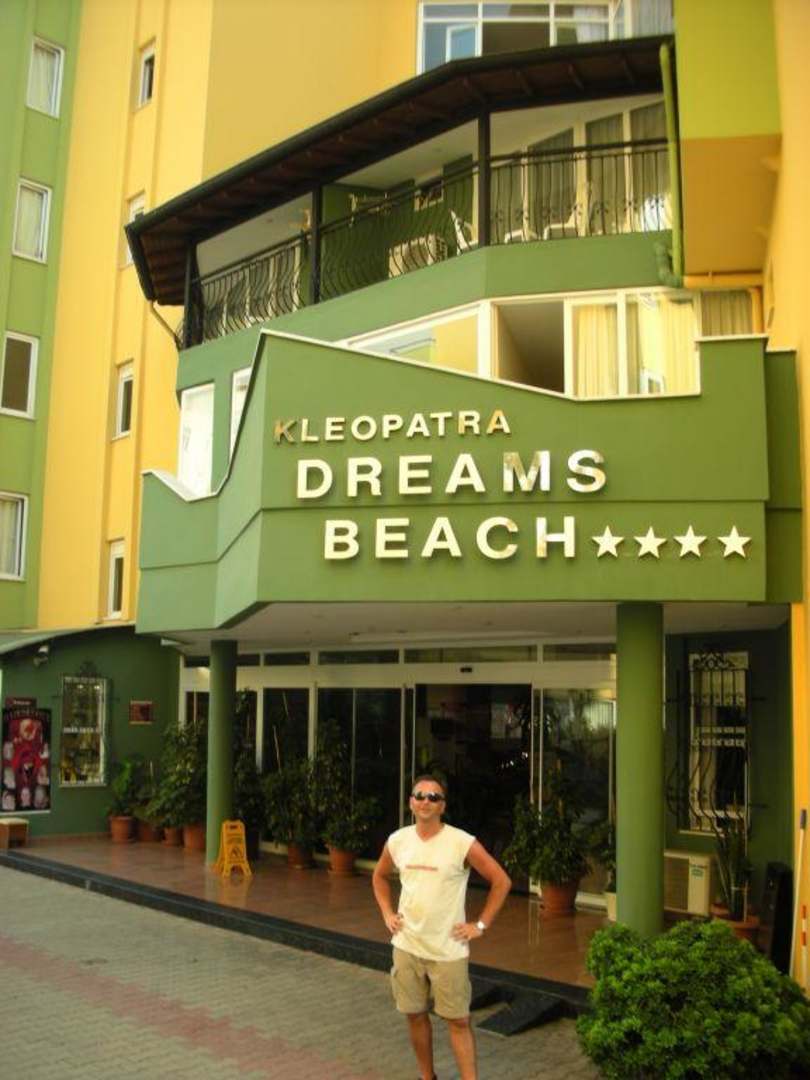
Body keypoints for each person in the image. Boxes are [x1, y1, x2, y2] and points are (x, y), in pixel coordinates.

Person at [372, 774, 511, 1080]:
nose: (426, 801)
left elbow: (501, 881)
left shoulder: (461, 842)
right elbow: (379, 876)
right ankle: (427, 1077)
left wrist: (480, 924)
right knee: (414, 1015)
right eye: (420, 795)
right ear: (411, 803)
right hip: (407, 946)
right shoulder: (398, 841)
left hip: (448, 951)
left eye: (433, 797)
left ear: (442, 806)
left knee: (458, 1021)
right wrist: (387, 913)